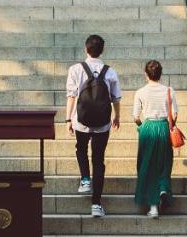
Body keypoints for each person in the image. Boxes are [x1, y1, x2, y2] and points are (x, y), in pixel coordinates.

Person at [65, 34, 121, 218]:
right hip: (103, 123)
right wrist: (117, 116)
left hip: (81, 120)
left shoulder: (75, 69)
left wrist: (67, 120)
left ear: (86, 49)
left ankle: (85, 179)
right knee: (98, 160)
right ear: (102, 51)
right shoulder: (110, 71)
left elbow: (72, 96)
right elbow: (116, 98)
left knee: (81, 149)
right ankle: (96, 204)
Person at [132, 60, 178, 218]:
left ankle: (153, 207)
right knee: (164, 163)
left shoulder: (140, 92)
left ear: (146, 75)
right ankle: (163, 189)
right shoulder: (169, 91)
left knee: (148, 165)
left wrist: (141, 126)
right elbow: (175, 114)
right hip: (164, 127)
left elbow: (136, 116)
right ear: (160, 74)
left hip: (148, 127)